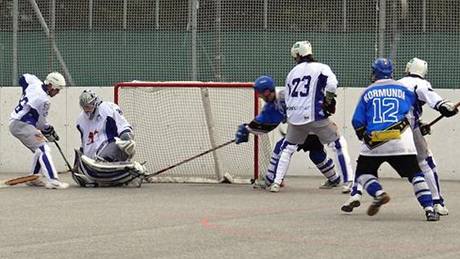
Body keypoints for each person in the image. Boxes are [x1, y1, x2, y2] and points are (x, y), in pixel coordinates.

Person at [341, 58, 458, 216]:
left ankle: (360, 193)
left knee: (363, 169)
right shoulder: (409, 87)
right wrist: (443, 107)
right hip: (403, 133)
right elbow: (415, 110)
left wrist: (363, 136)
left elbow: (357, 121)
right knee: (421, 168)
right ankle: (433, 205)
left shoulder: (376, 88)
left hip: (376, 137)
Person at [266, 40, 353, 193]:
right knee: (338, 144)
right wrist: (328, 100)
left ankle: (276, 182)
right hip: (314, 115)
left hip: (295, 118)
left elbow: (287, 97)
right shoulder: (321, 67)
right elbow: (332, 85)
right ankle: (348, 182)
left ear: (297, 55)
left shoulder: (291, 73)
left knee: (287, 148)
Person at [235, 75, 341, 191]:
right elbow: (265, 120)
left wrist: (248, 129)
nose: (259, 97)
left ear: (266, 92)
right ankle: (334, 179)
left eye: (260, 94)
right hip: (313, 129)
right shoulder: (275, 102)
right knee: (316, 154)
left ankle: (269, 180)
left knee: (280, 147)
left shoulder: (284, 96)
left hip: (306, 127)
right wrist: (248, 129)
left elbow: (268, 119)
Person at [71, 89, 146, 187]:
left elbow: (123, 125)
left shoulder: (108, 109)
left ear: (95, 102)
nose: (86, 109)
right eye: (84, 107)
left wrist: (126, 136)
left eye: (88, 106)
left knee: (116, 146)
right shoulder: (80, 120)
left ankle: (129, 171)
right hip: (93, 156)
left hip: (111, 146)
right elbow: (84, 141)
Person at [9, 72, 69, 189]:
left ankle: (34, 177)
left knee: (40, 148)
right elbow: (41, 124)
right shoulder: (44, 101)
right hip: (21, 124)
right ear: (50, 85)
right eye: (57, 90)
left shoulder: (35, 82)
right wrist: (49, 129)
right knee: (43, 148)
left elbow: (24, 77)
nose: (57, 93)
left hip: (17, 122)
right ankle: (53, 180)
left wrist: (25, 93)